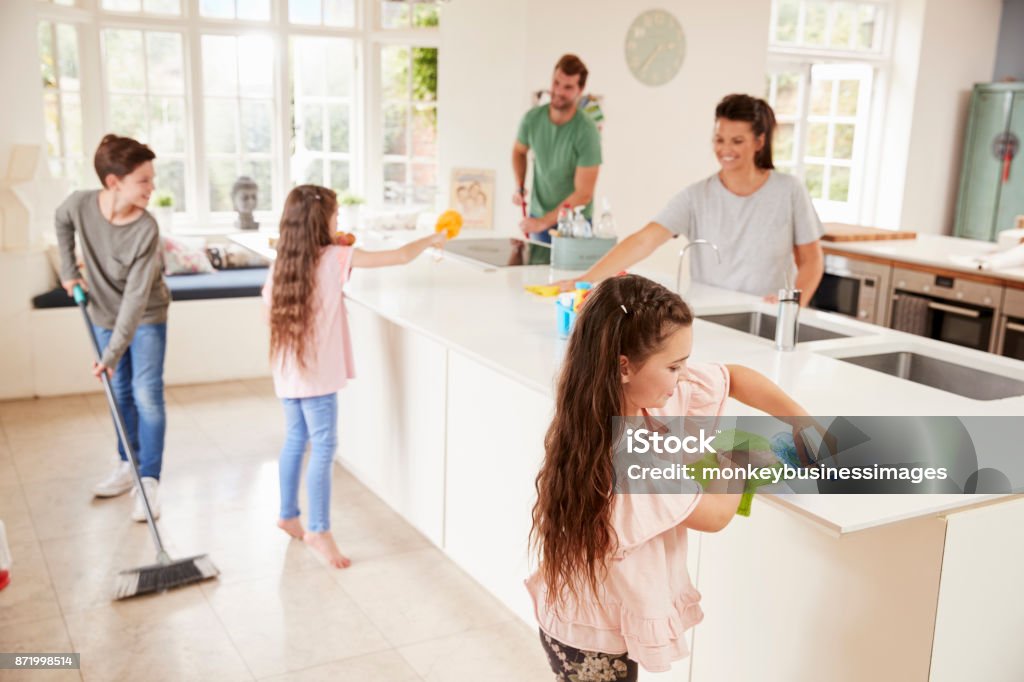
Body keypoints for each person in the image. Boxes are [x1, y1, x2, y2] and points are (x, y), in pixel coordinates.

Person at [527, 274, 817, 680]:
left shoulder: (615, 400)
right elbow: (715, 516)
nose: (683, 376)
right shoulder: (627, 459)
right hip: (591, 640)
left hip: (587, 612)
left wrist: (802, 421)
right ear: (624, 366)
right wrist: (741, 457)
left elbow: (733, 377)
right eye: (675, 366)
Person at [262, 185, 447, 569]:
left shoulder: (284, 260)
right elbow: (398, 256)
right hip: (316, 375)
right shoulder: (334, 258)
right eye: (335, 216)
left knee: (296, 438)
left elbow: (268, 311)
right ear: (321, 222)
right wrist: (433, 237)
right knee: (325, 447)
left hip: (287, 369)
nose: (339, 222)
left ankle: (288, 513)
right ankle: (318, 529)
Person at [555, 94, 824, 304]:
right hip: (709, 316)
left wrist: (792, 304)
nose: (725, 149)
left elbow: (811, 260)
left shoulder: (789, 191)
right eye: (719, 139)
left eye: (737, 141)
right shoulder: (697, 196)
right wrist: (586, 280)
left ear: (759, 142)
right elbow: (644, 240)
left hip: (765, 315)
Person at [55, 134, 171, 521]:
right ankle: (127, 465)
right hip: (102, 313)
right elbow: (61, 220)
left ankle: (149, 481)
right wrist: (70, 272)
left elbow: (136, 301)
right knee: (119, 390)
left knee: (147, 394)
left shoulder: (146, 229)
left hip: (147, 315)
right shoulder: (80, 205)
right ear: (113, 182)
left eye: (152, 179)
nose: (152, 188)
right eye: (144, 180)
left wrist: (108, 355)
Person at [513, 54, 602, 243]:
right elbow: (519, 151)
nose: (559, 91)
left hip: (574, 223)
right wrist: (520, 186)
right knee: (536, 272)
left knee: (572, 273)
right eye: (556, 83)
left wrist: (543, 223)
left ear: (580, 89)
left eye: (568, 87)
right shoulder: (532, 119)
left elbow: (583, 194)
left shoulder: (587, 131)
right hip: (539, 216)